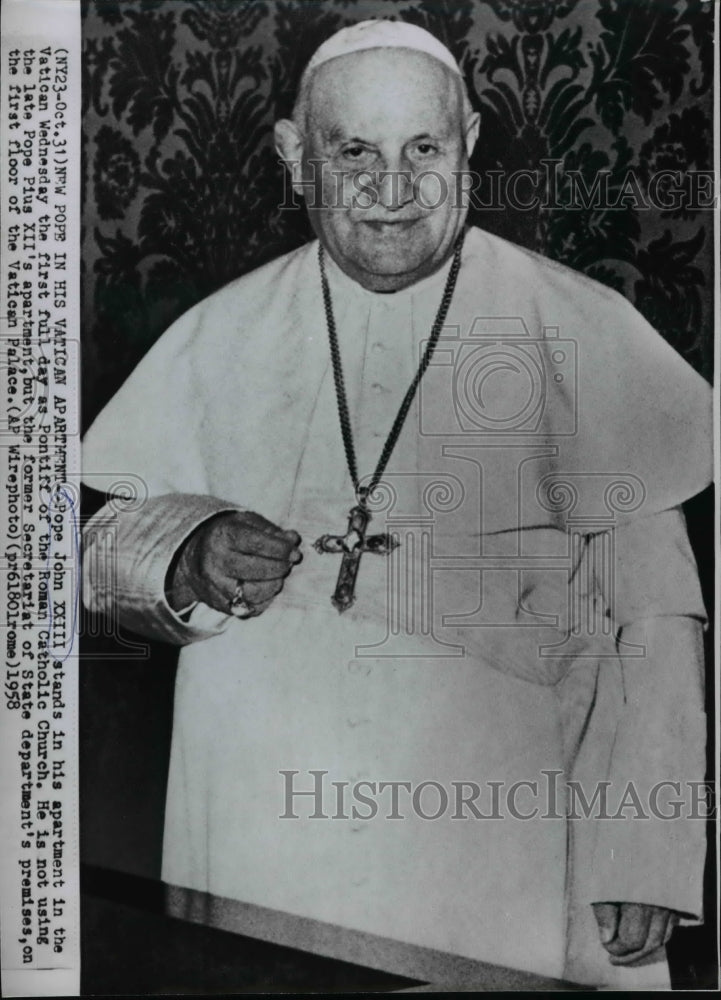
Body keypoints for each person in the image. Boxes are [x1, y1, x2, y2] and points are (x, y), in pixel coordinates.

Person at [82, 19, 712, 988]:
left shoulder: (582, 327)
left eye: (423, 147)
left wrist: (648, 845)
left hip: (496, 843)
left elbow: (659, 621)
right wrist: (185, 548)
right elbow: (95, 561)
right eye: (353, 151)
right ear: (297, 156)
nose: (390, 189)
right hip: (259, 832)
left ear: (468, 143)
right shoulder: (217, 334)